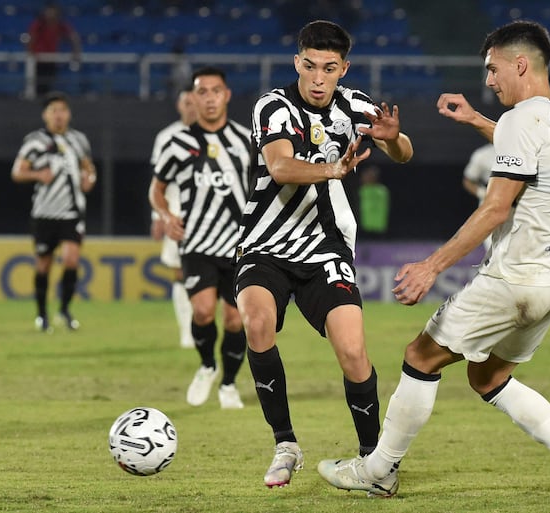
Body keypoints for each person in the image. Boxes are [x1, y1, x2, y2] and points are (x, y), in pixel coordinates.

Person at [318, 20, 550, 499]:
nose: (490, 80)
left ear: (520, 63)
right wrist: (478, 121)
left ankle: (377, 472)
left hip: (513, 279)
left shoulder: (521, 121)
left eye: (493, 69)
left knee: (420, 356)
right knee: (488, 375)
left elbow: (495, 207)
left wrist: (431, 266)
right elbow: (535, 147)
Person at [234, 20, 413, 488]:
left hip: (326, 247)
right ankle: (285, 443)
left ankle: (375, 464)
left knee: (353, 351)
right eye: (309, 66)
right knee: (256, 323)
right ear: (297, 62)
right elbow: (278, 166)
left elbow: (404, 154)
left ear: (343, 69)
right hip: (265, 244)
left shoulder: (355, 105)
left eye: (328, 68)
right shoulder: (272, 106)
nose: (317, 78)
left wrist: (392, 138)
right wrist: (332, 167)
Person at [149, 66, 252, 410]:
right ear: (193, 98)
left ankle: (228, 384)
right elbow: (157, 189)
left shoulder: (245, 140)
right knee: (204, 312)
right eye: (202, 92)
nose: (209, 98)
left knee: (236, 319)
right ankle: (207, 365)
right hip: (196, 242)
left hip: (239, 244)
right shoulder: (177, 142)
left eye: (215, 91)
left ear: (227, 96)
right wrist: (165, 215)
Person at [11, 91, 96, 333]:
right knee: (43, 265)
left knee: (71, 260)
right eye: (54, 111)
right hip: (45, 213)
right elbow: (17, 172)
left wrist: (90, 178)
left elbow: (89, 167)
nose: (59, 115)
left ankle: (65, 310)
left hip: (72, 214)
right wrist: (38, 174)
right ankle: (41, 314)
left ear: (69, 114)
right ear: (45, 115)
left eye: (63, 110)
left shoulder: (79, 140)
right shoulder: (35, 141)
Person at [149, 85, 198, 349]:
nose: (191, 107)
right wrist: (158, 215)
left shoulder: (215, 136)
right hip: (177, 214)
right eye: (186, 103)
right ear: (179, 106)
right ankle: (186, 331)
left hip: (213, 216)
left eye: (195, 102)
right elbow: (158, 184)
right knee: (180, 272)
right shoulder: (166, 137)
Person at [26, 3, 82, 95]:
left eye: (52, 12)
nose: (50, 14)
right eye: (48, 11)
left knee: (49, 84)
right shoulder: (39, 25)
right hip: (39, 60)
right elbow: (31, 38)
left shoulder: (60, 25)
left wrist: (76, 52)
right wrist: (30, 52)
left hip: (52, 60)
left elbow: (73, 37)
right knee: (39, 85)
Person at [462, 142, 496, 250]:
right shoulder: (482, 154)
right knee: (491, 244)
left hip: (517, 202)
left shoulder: (520, 150)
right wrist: (482, 193)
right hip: (490, 201)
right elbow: (468, 180)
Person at [358, 165, 390, 239]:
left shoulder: (381, 191)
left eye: (368, 176)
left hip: (377, 228)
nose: (364, 178)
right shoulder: (362, 190)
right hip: (364, 227)